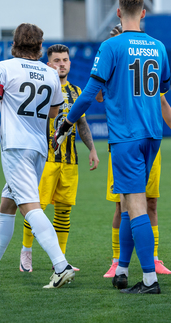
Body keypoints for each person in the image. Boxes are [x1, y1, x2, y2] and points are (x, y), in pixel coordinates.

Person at [54, 0, 170, 294]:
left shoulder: (111, 46)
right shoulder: (157, 47)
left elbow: (89, 94)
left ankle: (149, 280)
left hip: (126, 136)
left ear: (118, 13)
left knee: (134, 205)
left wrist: (67, 123)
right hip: (153, 135)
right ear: (143, 13)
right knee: (134, 204)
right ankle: (121, 269)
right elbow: (163, 87)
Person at [0, 23, 75, 288]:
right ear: (40, 47)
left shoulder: (4, 67)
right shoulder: (51, 73)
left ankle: (61, 266)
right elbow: (54, 113)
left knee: (30, 206)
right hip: (39, 148)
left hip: (15, 147)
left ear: (14, 44)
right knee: (7, 206)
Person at [102, 24, 171, 278]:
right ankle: (118, 261)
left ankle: (153, 259)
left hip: (151, 140)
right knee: (122, 205)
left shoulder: (149, 58)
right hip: (124, 143)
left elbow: (162, 101)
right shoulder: (112, 60)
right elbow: (98, 96)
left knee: (151, 203)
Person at [19, 44, 100, 273]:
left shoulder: (76, 91)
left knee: (64, 211)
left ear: (70, 64)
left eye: (65, 60)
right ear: (48, 64)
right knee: (35, 208)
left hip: (70, 161)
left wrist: (92, 150)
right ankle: (26, 252)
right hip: (45, 159)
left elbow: (81, 123)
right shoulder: (42, 89)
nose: (62, 64)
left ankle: (61, 261)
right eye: (57, 60)